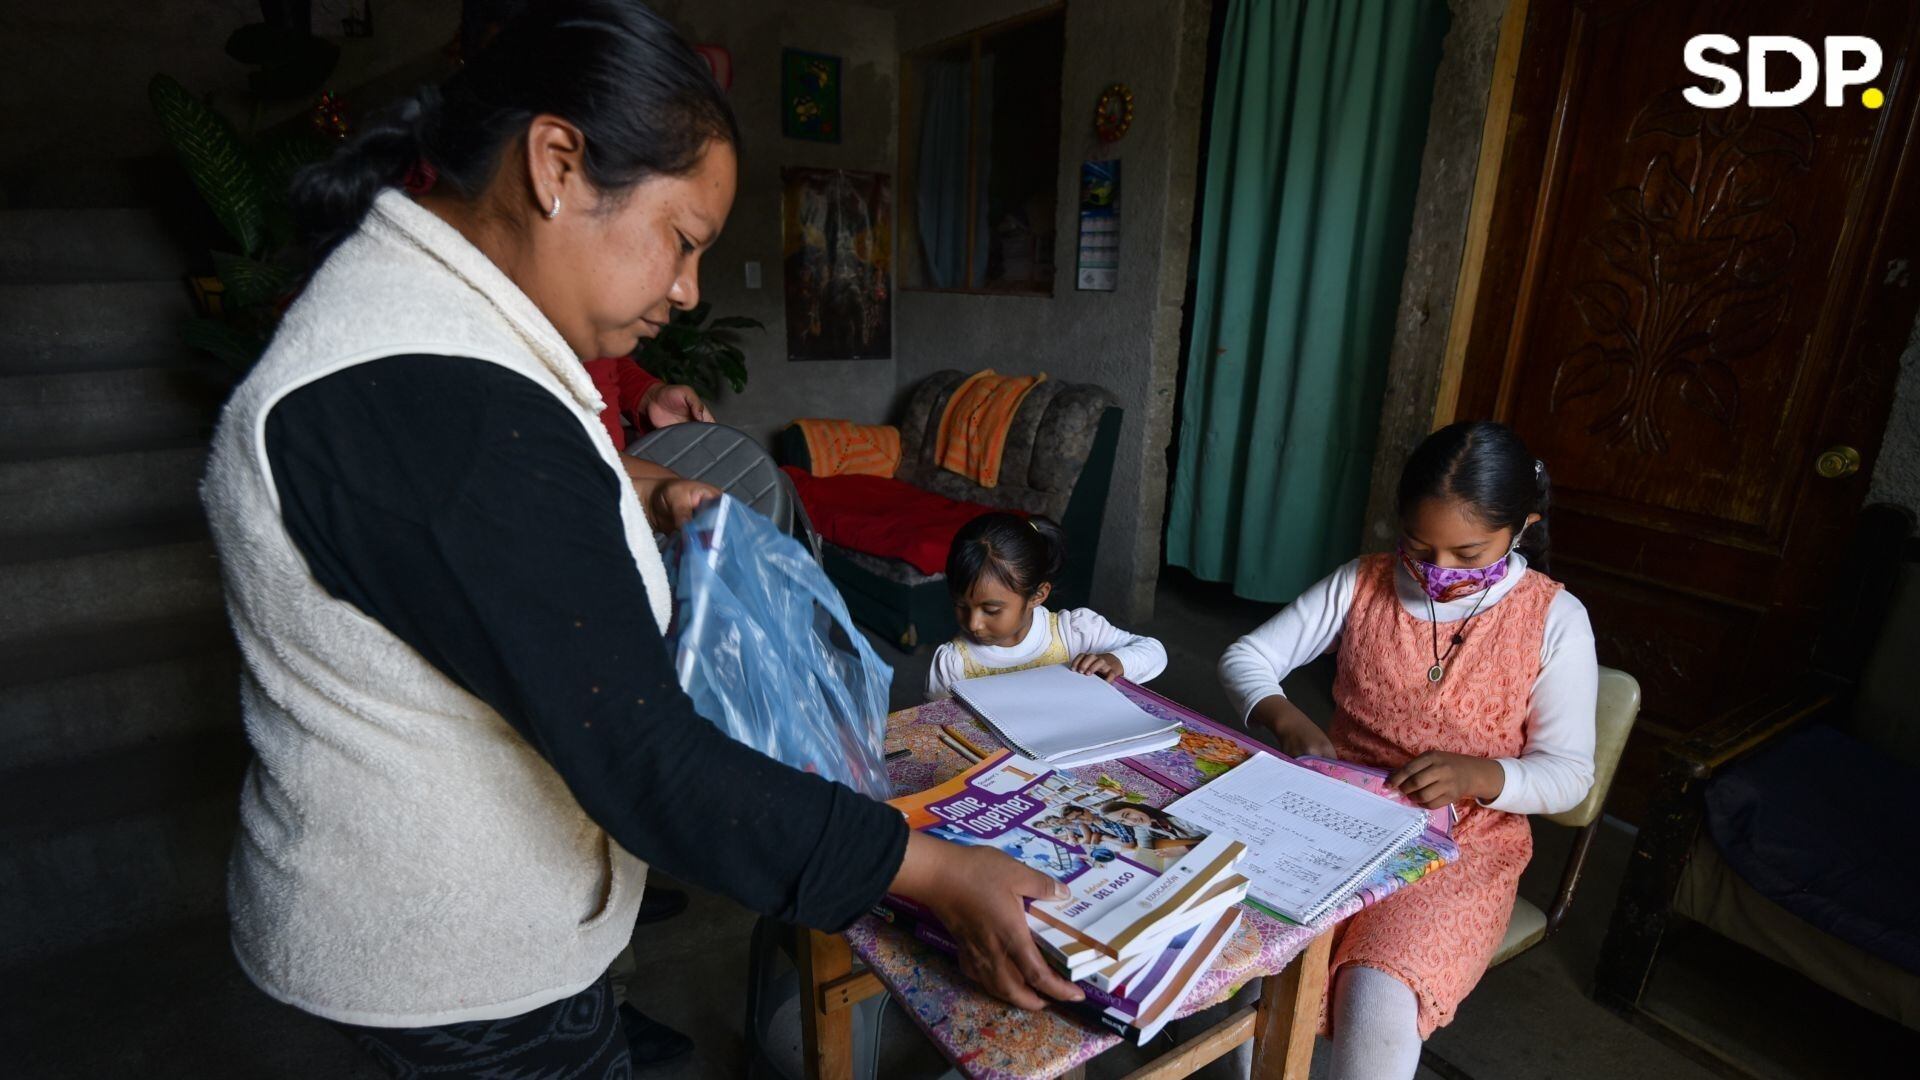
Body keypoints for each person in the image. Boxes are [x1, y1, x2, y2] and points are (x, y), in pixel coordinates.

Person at [201, 4, 1083, 1076]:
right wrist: (937, 872)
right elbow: (649, 760)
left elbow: (480, 518)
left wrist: (635, 483)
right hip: (452, 963)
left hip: (468, 910)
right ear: (557, 165)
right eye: (683, 240)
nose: (687, 290)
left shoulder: (427, 333)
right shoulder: (440, 402)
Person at [1216, 421, 1598, 1080]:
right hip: (1338, 811)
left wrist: (1479, 774)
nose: (1438, 571)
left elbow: (1568, 777)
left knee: (1378, 994)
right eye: (1419, 547)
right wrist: (1289, 724)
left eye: (1468, 554)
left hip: (1463, 842)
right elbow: (1245, 658)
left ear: (1523, 528)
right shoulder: (1363, 582)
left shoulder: (1553, 620)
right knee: (1259, 973)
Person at [926, 512, 1167, 700]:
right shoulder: (954, 663)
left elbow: (1154, 651)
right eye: (960, 605)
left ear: (1037, 595)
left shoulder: (1074, 632)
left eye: (991, 610)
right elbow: (934, 730)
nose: (973, 624)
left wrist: (1116, 661)